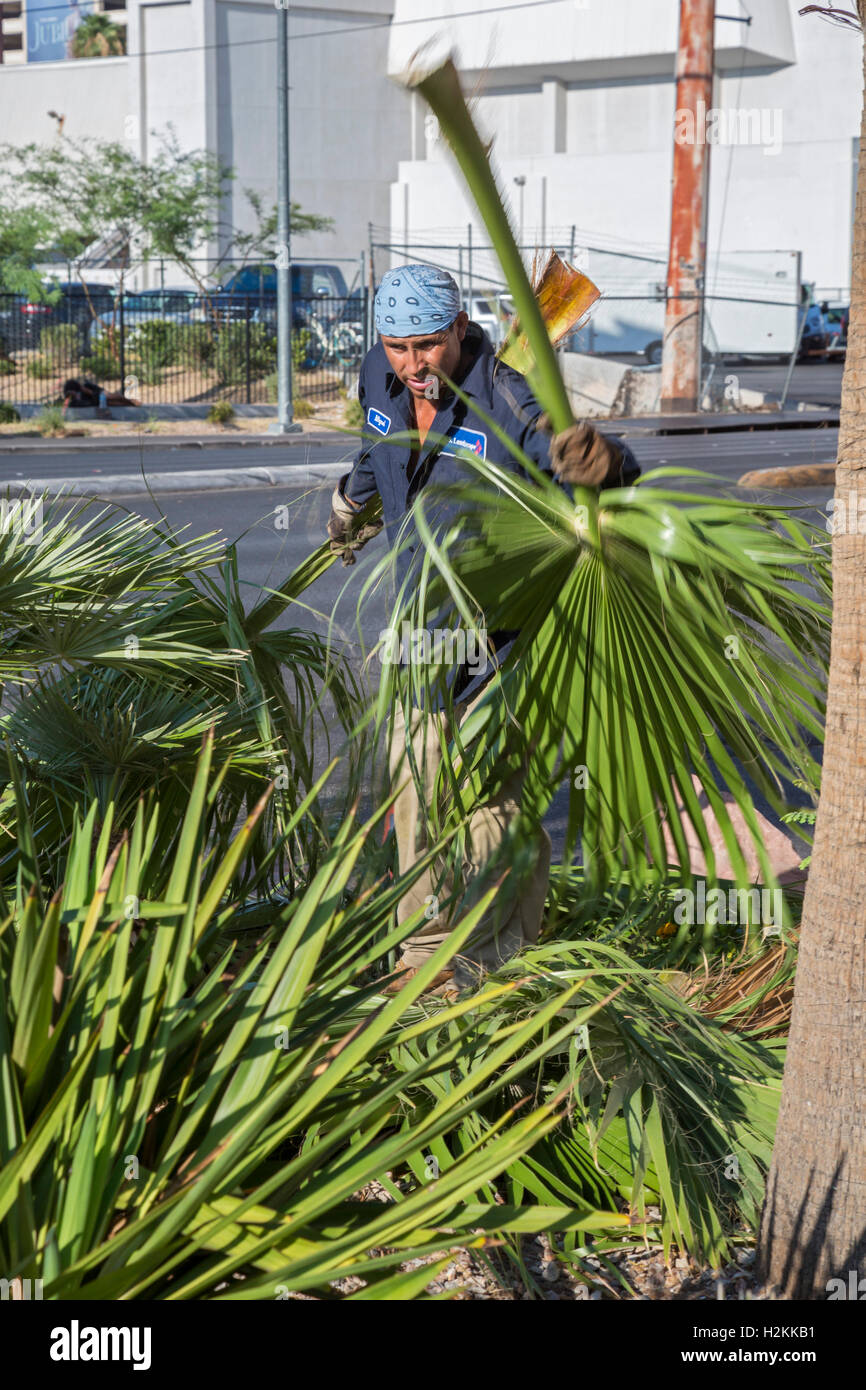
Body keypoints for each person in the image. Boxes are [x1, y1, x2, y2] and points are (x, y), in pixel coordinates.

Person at [327, 264, 639, 997]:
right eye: (398, 346)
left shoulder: (509, 403)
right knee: (417, 794)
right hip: (418, 631)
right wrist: (350, 500)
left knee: (491, 812)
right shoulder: (381, 375)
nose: (413, 365)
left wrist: (610, 462)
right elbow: (378, 444)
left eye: (429, 346)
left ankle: (494, 966)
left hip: (504, 641)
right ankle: (424, 957)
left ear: (460, 330)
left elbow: (598, 481)